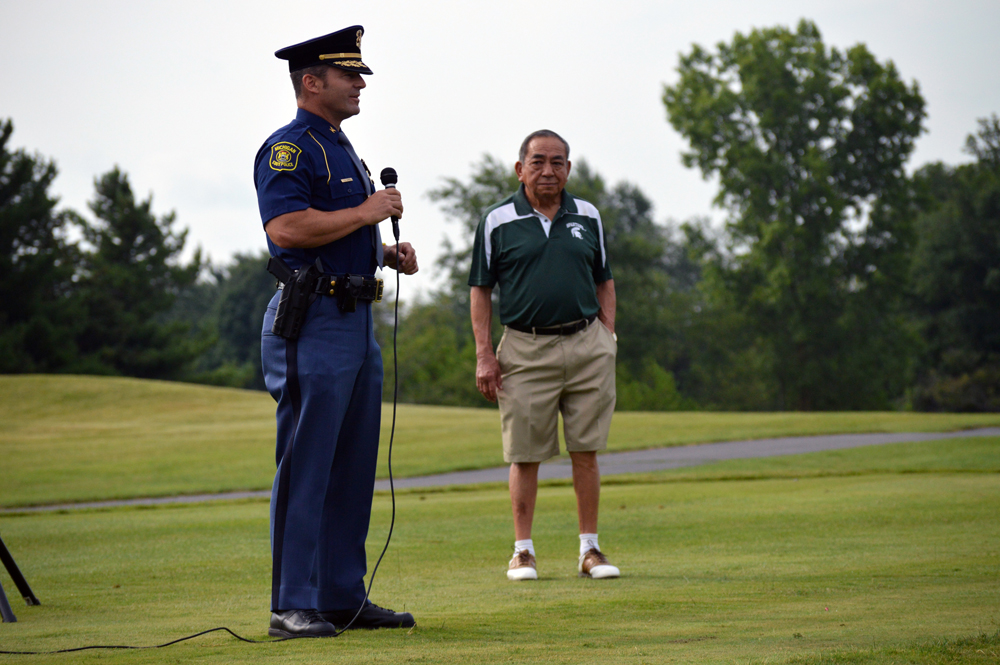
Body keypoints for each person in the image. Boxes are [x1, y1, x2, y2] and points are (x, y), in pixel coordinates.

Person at [254, 26, 418, 638]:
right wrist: (369, 213)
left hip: (356, 321)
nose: (360, 84)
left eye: (359, 74)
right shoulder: (288, 149)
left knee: (352, 465)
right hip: (312, 323)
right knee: (307, 464)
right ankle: (290, 604)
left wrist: (382, 252)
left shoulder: (344, 148)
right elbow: (288, 231)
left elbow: (340, 229)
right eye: (349, 75)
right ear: (311, 82)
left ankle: (341, 597)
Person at [469, 130, 621, 582]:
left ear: (568, 169)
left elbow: (605, 280)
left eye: (557, 162)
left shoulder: (588, 216)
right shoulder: (497, 220)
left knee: (586, 450)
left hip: (587, 342)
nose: (548, 170)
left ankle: (590, 550)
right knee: (525, 454)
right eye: (537, 162)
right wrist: (484, 354)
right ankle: (522, 552)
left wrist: (607, 335)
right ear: (520, 169)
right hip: (524, 346)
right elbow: (480, 291)